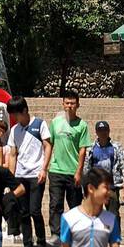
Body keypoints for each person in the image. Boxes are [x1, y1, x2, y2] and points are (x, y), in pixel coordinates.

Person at [5, 97, 51, 247]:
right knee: (23, 212)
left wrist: (44, 169)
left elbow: (47, 146)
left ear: (24, 111)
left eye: (16, 114)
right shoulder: (15, 130)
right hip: (20, 176)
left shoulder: (39, 124)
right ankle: (27, 246)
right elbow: (12, 154)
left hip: (36, 174)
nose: (15, 118)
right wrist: (11, 179)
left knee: (35, 211)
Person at [46, 90, 91, 239]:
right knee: (55, 204)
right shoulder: (55, 122)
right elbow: (49, 144)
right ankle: (56, 233)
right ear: (63, 104)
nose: (70, 106)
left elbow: (83, 150)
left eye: (72, 103)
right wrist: (45, 166)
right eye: (67, 103)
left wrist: (79, 171)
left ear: (78, 105)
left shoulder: (82, 125)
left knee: (75, 205)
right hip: (56, 170)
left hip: (73, 171)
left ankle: (75, 232)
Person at [81, 120, 124, 217]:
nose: (103, 133)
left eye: (105, 130)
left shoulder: (116, 147)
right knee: (95, 212)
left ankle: (114, 232)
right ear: (96, 132)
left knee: (113, 213)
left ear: (109, 131)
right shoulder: (91, 149)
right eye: (100, 130)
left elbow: (123, 165)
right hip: (95, 186)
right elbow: (86, 168)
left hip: (112, 186)